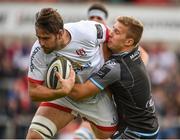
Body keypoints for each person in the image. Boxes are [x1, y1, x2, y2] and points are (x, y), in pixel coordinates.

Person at [26, 7, 118, 139]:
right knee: (34, 136)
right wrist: (60, 92)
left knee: (108, 136)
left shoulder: (87, 30)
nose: (41, 43)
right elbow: (33, 92)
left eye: (46, 38)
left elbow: (114, 40)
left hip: (96, 96)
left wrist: (109, 70)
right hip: (64, 97)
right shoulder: (38, 51)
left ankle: (86, 130)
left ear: (59, 33)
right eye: (38, 37)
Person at [67, 16, 159, 139]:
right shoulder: (135, 50)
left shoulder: (115, 67)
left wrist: (60, 82)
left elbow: (79, 93)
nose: (110, 33)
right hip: (150, 127)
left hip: (135, 134)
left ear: (128, 42)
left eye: (116, 32)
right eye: (113, 28)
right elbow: (145, 55)